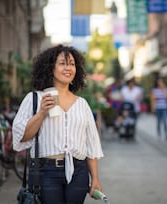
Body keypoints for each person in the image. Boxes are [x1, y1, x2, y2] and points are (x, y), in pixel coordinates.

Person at [12, 45, 104, 204]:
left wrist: (95, 178)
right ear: (50, 68)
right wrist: (41, 112)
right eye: (62, 63)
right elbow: (22, 137)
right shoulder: (34, 99)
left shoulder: (82, 104)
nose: (68, 68)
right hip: (46, 172)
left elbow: (91, 145)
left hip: (78, 172)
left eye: (72, 64)